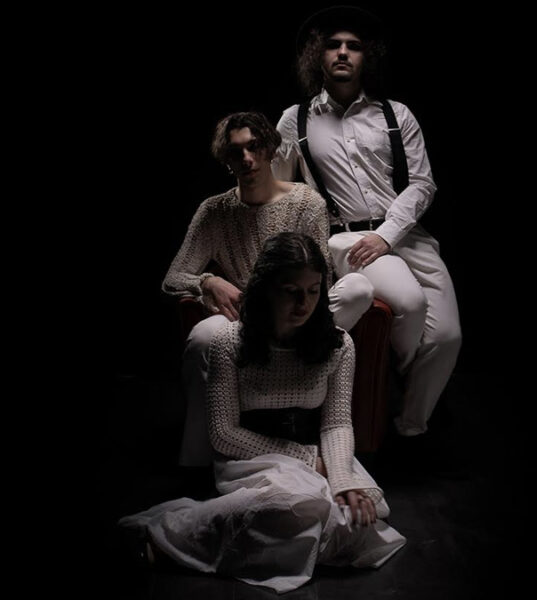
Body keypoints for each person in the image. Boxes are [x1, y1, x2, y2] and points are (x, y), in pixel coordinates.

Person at [120, 232, 405, 593]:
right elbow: (224, 434)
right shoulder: (229, 342)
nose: (304, 303)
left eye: (313, 291)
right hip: (250, 458)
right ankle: (169, 538)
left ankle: (252, 534)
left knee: (358, 518)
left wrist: (342, 479)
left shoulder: (338, 343)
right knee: (295, 506)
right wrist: (308, 460)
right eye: (291, 291)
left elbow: (336, 423)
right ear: (267, 289)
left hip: (315, 454)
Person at [272, 6, 462, 440]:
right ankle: (410, 408)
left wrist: (386, 235)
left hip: (405, 234)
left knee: (447, 336)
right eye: (333, 45)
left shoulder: (396, 114)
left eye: (353, 46)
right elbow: (281, 192)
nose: (343, 52)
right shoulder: (295, 120)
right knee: (409, 304)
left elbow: (422, 184)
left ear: (366, 57)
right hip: (346, 239)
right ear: (318, 55)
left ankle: (409, 424)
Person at [162, 111, 373, 467]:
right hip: (245, 323)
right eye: (236, 152)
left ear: (271, 150)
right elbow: (172, 278)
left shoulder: (306, 202)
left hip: (303, 316)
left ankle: (306, 371)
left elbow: (319, 278)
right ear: (227, 161)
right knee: (202, 338)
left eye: (255, 147)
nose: (247, 158)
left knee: (358, 289)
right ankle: (200, 461)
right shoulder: (215, 211)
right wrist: (207, 281)